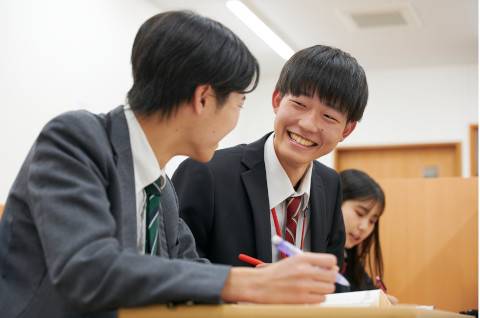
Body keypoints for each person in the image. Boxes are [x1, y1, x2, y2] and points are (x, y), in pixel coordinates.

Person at [0, 11, 339, 318]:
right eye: (239, 103)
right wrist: (241, 283)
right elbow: (88, 269)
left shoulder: (161, 188)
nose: (237, 119)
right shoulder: (75, 140)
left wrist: (261, 281)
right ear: (203, 98)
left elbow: (189, 269)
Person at [172, 45, 368, 277]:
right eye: (299, 104)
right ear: (277, 100)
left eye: (328, 116)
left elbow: (331, 280)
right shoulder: (207, 173)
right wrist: (251, 288)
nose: (308, 124)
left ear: (347, 129)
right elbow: (175, 272)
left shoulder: (330, 184)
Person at [339, 169, 398, 303]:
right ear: (335, 202)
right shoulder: (309, 248)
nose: (364, 227)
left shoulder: (351, 263)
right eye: (360, 213)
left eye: (372, 221)